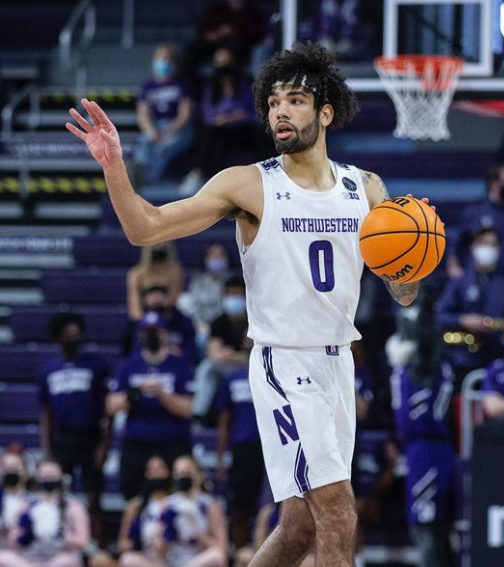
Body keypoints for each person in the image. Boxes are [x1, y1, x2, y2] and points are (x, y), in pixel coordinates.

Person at [67, 41, 426, 567]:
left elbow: (403, 291)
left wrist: (412, 263)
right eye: (274, 102)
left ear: (325, 113)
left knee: (300, 527)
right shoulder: (249, 185)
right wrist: (114, 165)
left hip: (338, 364)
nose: (281, 111)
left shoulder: (366, 188)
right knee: (339, 510)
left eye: (296, 100)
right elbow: (146, 228)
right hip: (284, 361)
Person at [387, 285, 456, 567]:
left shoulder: (428, 367)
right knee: (429, 525)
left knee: (428, 526)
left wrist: (425, 305)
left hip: (430, 449)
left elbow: (428, 341)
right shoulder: (403, 369)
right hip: (419, 450)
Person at [38, 312, 111, 546]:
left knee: (94, 498)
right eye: (68, 334)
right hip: (61, 439)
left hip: (89, 437)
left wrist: (104, 445)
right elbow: (45, 415)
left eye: (76, 333)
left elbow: (108, 410)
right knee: (57, 497)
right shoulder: (48, 370)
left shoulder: (96, 365)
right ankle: (59, 544)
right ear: (58, 338)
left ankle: (98, 549)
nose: (73, 338)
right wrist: (47, 452)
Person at [107, 311, 194, 500]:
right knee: (133, 495)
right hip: (137, 441)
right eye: (147, 332)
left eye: (156, 331)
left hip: (173, 440)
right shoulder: (128, 365)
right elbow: (111, 405)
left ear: (165, 334)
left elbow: (188, 408)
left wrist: (161, 393)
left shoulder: (180, 365)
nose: (152, 336)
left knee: (179, 494)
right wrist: (136, 393)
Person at [436, 227, 504, 384]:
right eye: (483, 243)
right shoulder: (459, 282)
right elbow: (440, 315)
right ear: (473, 247)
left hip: (499, 358)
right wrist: (463, 320)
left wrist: (502, 325)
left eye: (493, 244)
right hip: (462, 359)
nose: (488, 249)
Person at [180, 46, 267, 196]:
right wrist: (223, 118)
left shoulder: (246, 84)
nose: (224, 66)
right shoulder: (211, 87)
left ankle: (265, 175)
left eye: (227, 61)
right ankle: (199, 173)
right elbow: (208, 115)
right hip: (220, 128)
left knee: (260, 133)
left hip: (244, 128)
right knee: (209, 134)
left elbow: (255, 112)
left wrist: (239, 116)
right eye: (220, 61)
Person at [446, 164, 504, 306]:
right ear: (494, 184)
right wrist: (453, 265)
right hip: (475, 278)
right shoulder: (475, 212)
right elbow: (457, 241)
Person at [0, 460, 90, 567]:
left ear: (61, 477)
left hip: (59, 556)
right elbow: (13, 539)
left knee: (66, 561)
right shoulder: (27, 503)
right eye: (44, 475)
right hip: (29, 559)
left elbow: (83, 541)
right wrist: (29, 532)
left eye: (52, 475)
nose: (48, 479)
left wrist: (59, 535)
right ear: (38, 478)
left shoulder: (73, 505)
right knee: (3, 558)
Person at [89, 455, 172, 567]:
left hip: (172, 556)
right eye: (151, 469)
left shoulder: (177, 503)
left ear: (169, 472)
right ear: (146, 474)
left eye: (160, 468)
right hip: (144, 556)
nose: (155, 473)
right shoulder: (135, 505)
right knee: (100, 560)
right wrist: (135, 542)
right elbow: (122, 544)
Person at [192, 276, 251, 427]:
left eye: (237, 294)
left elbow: (254, 356)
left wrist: (233, 355)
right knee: (207, 367)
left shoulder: (254, 321)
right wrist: (231, 355)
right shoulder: (219, 322)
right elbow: (213, 353)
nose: (233, 299)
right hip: (228, 366)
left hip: (250, 367)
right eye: (230, 294)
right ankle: (199, 413)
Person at [217, 365, 264, 549]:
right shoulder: (233, 378)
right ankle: (240, 555)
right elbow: (224, 419)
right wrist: (220, 458)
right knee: (240, 509)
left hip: (275, 446)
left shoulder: (281, 372)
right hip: (243, 449)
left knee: (274, 507)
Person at [134, 44, 195, 184]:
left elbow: (185, 115)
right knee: (144, 143)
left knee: (163, 148)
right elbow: (143, 115)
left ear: (175, 63)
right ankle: (139, 172)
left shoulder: (183, 85)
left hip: (179, 128)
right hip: (155, 126)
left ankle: (151, 181)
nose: (165, 62)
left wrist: (168, 131)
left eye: (169, 59)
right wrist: (152, 133)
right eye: (161, 59)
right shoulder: (147, 86)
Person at [160, 455, 227, 567]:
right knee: (130, 559)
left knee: (217, 556)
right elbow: (160, 551)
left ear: (199, 475)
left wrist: (198, 534)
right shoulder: (167, 504)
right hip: (172, 559)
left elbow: (222, 547)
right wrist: (167, 532)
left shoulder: (209, 504)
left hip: (199, 560)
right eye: (178, 473)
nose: (182, 477)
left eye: (187, 472)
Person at [123, 285, 197, 364]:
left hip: (176, 364)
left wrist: (174, 353)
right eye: (154, 307)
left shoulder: (182, 321)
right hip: (145, 365)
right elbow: (132, 353)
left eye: (160, 306)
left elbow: (190, 351)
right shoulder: (138, 324)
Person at [127, 242, 185, 322]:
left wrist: (162, 301)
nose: (159, 249)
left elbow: (175, 297)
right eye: (155, 246)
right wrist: (145, 320)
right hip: (145, 312)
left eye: (162, 246)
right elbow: (134, 307)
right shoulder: (136, 274)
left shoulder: (174, 270)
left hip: (168, 312)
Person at [0, 449, 30, 550]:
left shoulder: (34, 501)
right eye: (7, 468)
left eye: (15, 467)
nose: (11, 471)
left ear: (25, 472)